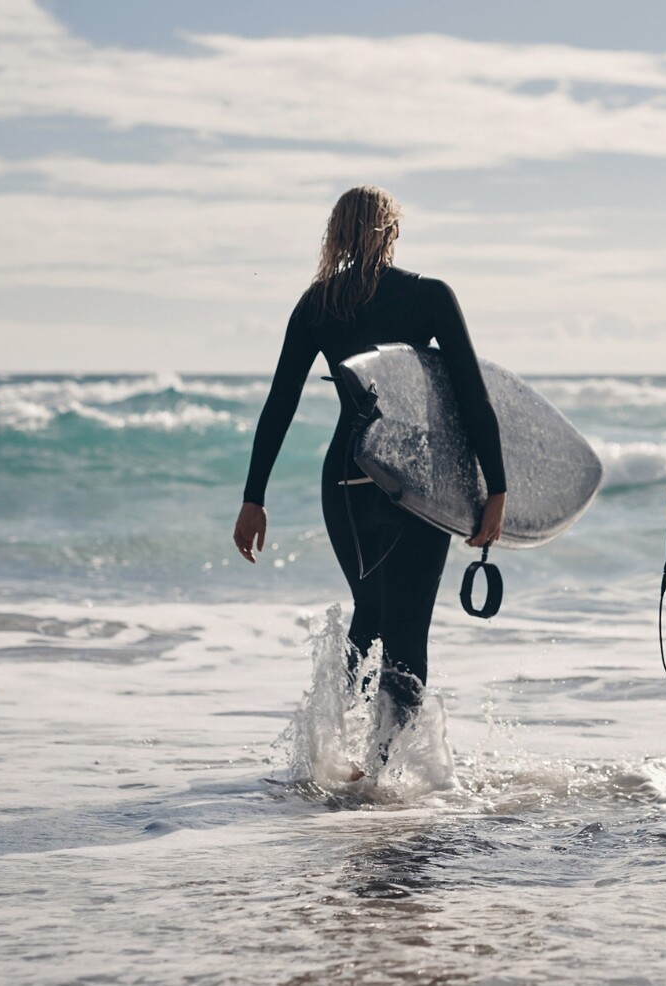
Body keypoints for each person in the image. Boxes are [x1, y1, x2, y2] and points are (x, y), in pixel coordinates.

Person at [234, 186, 507, 760]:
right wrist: (496, 487)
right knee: (408, 631)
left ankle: (329, 748)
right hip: (413, 483)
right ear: (392, 232)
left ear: (336, 234)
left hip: (346, 480)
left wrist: (253, 497)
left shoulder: (318, 305)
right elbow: (472, 396)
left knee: (371, 611)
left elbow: (279, 402)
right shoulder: (428, 296)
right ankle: (382, 771)